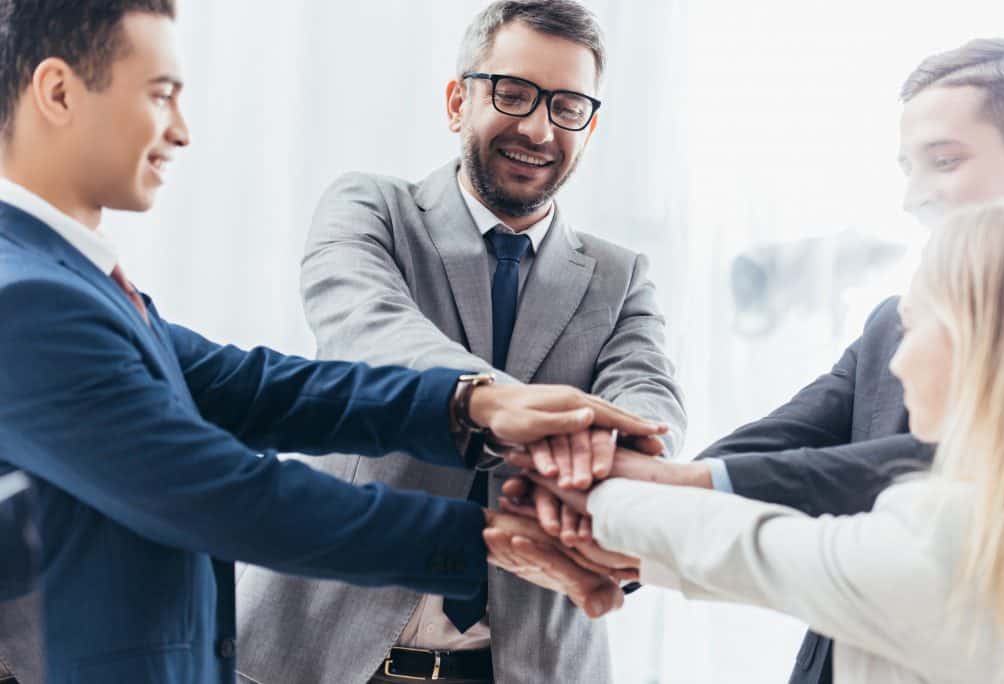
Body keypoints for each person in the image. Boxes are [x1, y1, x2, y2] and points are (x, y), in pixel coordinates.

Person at [0, 2, 665, 682]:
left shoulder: (66, 281)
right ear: (57, 92)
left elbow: (256, 388)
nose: (182, 130)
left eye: (565, 106)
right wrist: (489, 537)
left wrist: (476, 406)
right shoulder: (27, 299)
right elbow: (227, 495)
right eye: (161, 94)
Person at [506, 36, 1004, 684]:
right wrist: (609, 516)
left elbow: (935, 471)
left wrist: (645, 497)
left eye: (944, 161)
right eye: (906, 168)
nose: (914, 198)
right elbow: (775, 445)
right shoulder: (895, 323)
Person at [235, 2, 685, 683]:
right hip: (321, 652)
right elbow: (371, 334)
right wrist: (525, 417)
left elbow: (648, 402)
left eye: (567, 106)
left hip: (524, 663)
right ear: (457, 100)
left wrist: (614, 447)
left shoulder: (621, 277)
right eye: (513, 93)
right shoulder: (372, 209)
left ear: (589, 127)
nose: (537, 127)